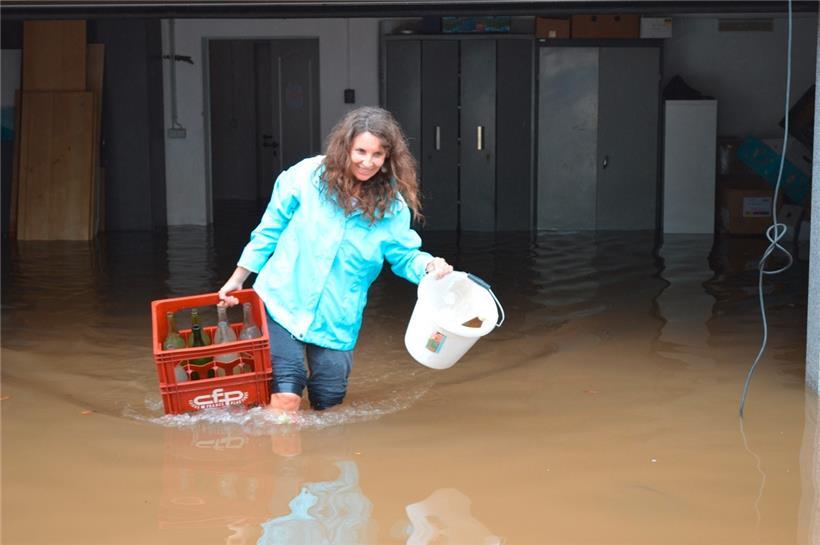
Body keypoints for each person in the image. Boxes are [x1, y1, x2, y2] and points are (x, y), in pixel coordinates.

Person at [218, 106, 453, 413]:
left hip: (337, 318)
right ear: (346, 147)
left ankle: (310, 458)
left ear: (387, 158)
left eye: (377, 155)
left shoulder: (391, 206)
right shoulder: (306, 177)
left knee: (328, 407)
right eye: (360, 151)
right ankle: (283, 460)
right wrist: (238, 279)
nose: (367, 162)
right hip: (282, 301)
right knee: (286, 396)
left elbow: (404, 254)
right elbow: (269, 230)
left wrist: (429, 265)